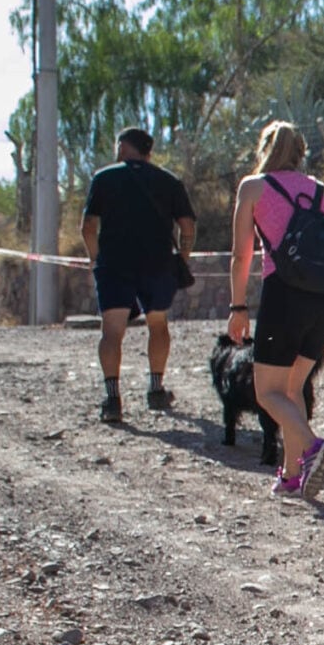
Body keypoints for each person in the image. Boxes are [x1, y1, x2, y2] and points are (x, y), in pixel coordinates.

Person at [226, 121, 324, 498]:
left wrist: (238, 307)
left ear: (264, 148)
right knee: (293, 387)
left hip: (284, 297)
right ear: (300, 152)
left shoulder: (253, 187)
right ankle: (291, 474)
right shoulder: (321, 190)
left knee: (267, 393)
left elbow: (240, 256)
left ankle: (313, 446)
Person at [79, 127, 197, 424]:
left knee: (112, 331)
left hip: (115, 265)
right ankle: (156, 390)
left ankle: (112, 399)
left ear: (122, 147)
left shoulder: (104, 178)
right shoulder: (169, 181)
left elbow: (88, 226)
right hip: (157, 265)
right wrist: (182, 257)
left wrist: (95, 259)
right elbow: (187, 226)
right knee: (157, 325)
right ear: (149, 151)